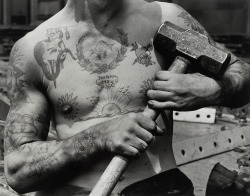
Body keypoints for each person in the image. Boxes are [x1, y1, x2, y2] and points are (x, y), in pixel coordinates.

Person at [4, 0, 250, 195]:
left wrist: (211, 89)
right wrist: (97, 138)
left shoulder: (167, 19)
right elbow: (17, 172)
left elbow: (243, 77)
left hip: (160, 189)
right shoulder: (34, 49)